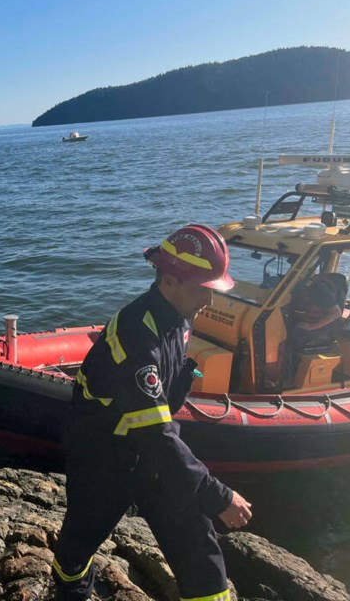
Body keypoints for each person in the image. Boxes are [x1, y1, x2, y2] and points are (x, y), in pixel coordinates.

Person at [51, 225, 253, 601]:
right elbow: (156, 432)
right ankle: (69, 589)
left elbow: (158, 427)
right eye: (203, 289)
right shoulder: (136, 337)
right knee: (81, 538)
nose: (209, 301)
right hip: (103, 454)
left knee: (196, 540)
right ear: (171, 280)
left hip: (150, 452)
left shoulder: (179, 317)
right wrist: (218, 495)